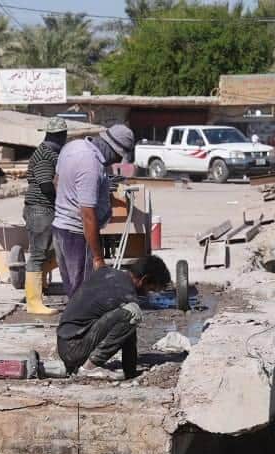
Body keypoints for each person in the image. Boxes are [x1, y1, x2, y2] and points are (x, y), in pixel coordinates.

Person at [52, 124, 135, 295]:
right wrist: (98, 258)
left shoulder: (72, 147)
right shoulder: (91, 165)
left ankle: (74, 311)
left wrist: (67, 205)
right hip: (77, 235)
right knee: (84, 293)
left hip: (61, 228)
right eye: (118, 156)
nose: (116, 161)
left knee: (73, 289)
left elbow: (56, 182)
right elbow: (88, 215)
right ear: (113, 149)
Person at [56, 255, 170, 380]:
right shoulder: (125, 293)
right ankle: (89, 368)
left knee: (129, 314)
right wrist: (130, 370)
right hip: (75, 348)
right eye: (151, 290)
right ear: (144, 280)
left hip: (66, 345)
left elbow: (127, 332)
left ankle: (85, 365)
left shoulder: (109, 273)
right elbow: (128, 329)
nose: (148, 294)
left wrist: (130, 371)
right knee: (133, 313)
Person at [20, 117, 68, 315]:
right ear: (59, 136)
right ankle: (33, 303)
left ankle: (39, 289)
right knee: (38, 255)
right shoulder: (44, 154)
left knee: (53, 251)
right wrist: (64, 198)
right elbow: (46, 185)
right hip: (40, 209)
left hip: (45, 208)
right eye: (64, 136)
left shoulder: (52, 153)